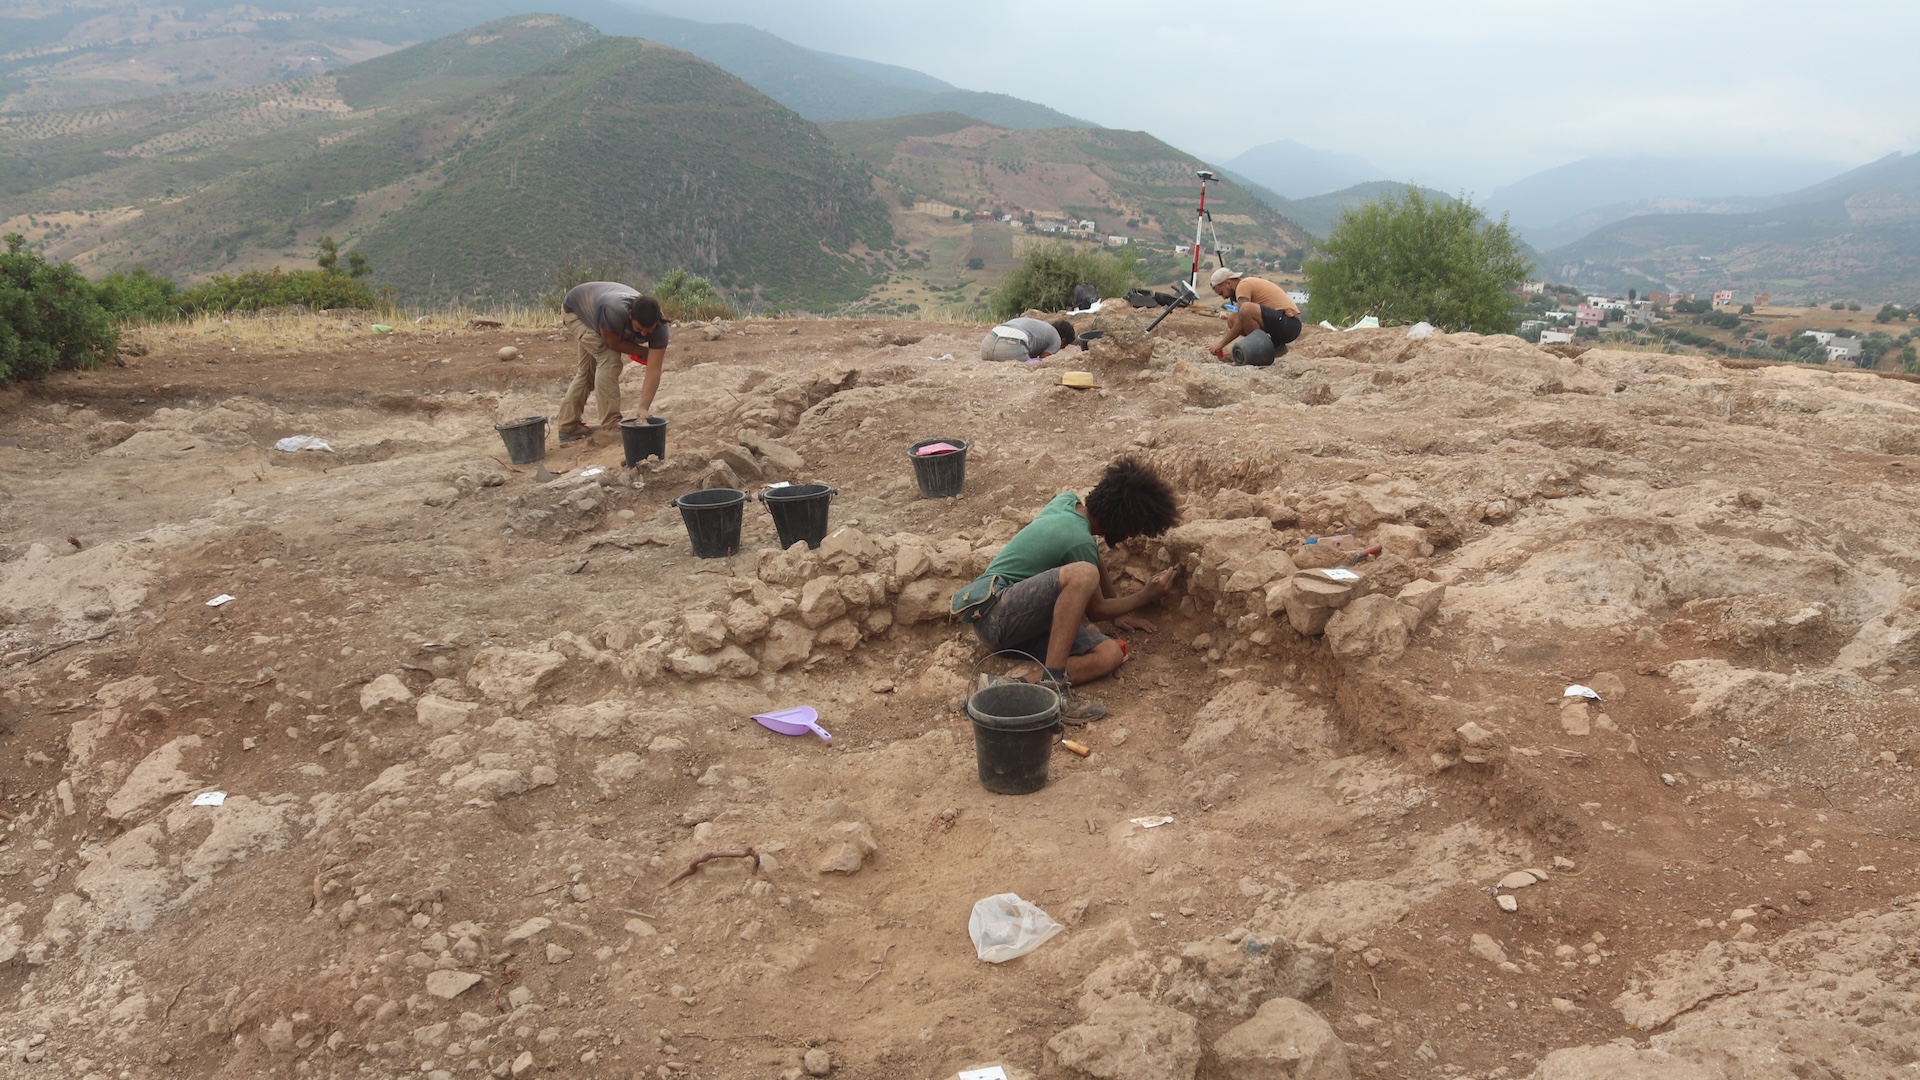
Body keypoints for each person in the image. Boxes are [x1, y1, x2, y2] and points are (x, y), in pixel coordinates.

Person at [956, 456, 1182, 721]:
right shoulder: (1080, 541)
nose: (1130, 537)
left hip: (1022, 625)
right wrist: (1146, 595)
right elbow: (1096, 610)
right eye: (1133, 530)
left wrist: (1117, 609)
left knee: (1111, 653)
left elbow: (1089, 553)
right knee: (1084, 575)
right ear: (1122, 521)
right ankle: (1054, 686)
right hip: (996, 614)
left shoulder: (1067, 503)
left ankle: (1010, 689)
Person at [555, 281, 671, 442]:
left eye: (649, 331)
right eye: (638, 329)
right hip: (577, 311)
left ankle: (568, 427)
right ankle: (611, 423)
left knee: (587, 373)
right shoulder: (614, 311)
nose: (644, 334)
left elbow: (654, 369)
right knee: (609, 359)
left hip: (596, 316)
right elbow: (612, 343)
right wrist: (640, 351)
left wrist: (643, 408)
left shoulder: (661, 328)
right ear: (630, 315)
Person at [1205, 268, 1302, 364]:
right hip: (1283, 324)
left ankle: (1259, 352)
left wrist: (1220, 344)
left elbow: (1243, 316)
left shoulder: (1243, 285)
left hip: (1289, 323)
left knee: (1246, 309)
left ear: (1228, 283)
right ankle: (1274, 346)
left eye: (1222, 293)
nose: (1224, 297)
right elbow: (1239, 321)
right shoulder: (1245, 285)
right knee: (1232, 320)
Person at [979, 317, 1076, 362]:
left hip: (987, 345)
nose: (1061, 348)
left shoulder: (1040, 327)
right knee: (1034, 365)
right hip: (1010, 347)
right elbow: (1043, 360)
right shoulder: (1056, 339)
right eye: (1063, 346)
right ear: (1063, 340)